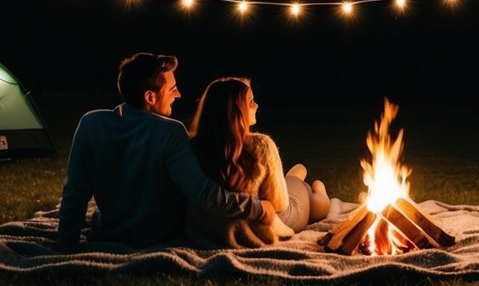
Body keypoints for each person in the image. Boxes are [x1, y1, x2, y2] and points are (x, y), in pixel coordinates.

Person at [56, 53, 276, 249]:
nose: (178, 94)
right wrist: (258, 209)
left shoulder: (91, 123)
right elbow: (205, 195)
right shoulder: (169, 132)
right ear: (150, 97)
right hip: (158, 237)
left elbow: (75, 191)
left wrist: (66, 241)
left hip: (111, 230)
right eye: (172, 89)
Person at [185, 76, 331, 248]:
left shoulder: (191, 146)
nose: (256, 106)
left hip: (226, 221)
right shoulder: (261, 145)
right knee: (308, 193)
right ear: (236, 110)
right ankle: (316, 187)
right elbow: (280, 203)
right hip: (273, 218)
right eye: (251, 101)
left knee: (296, 176)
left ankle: (295, 177)